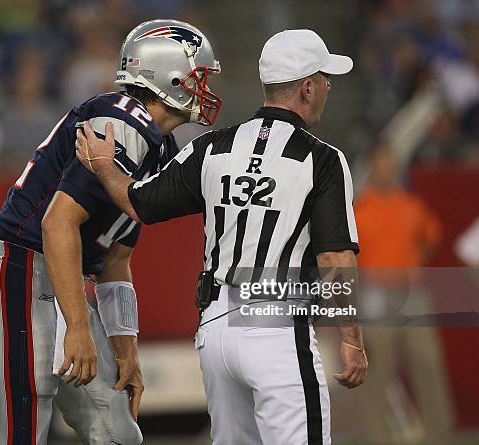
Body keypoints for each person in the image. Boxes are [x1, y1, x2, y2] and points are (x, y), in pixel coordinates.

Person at [76, 29, 368, 445]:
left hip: (215, 329)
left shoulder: (211, 147)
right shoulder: (322, 159)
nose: (328, 87)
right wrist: (352, 339)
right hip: (276, 325)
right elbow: (336, 258)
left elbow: (138, 203)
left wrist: (105, 166)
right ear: (307, 87)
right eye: (324, 78)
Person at [0, 19, 222, 445]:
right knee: (22, 431)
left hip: (65, 282)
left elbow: (116, 260)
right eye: (198, 76)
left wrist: (126, 348)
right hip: (24, 273)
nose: (205, 87)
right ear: (169, 75)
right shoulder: (120, 120)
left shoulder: (161, 145)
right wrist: (78, 327)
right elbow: (57, 223)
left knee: (119, 433)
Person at [355, 143, 454, 445]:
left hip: (413, 297)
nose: (388, 168)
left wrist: (414, 264)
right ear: (372, 167)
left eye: (391, 162)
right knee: (379, 374)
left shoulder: (410, 205)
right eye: (382, 162)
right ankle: (379, 438)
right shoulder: (360, 210)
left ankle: (440, 434)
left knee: (428, 364)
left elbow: (431, 237)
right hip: (377, 298)